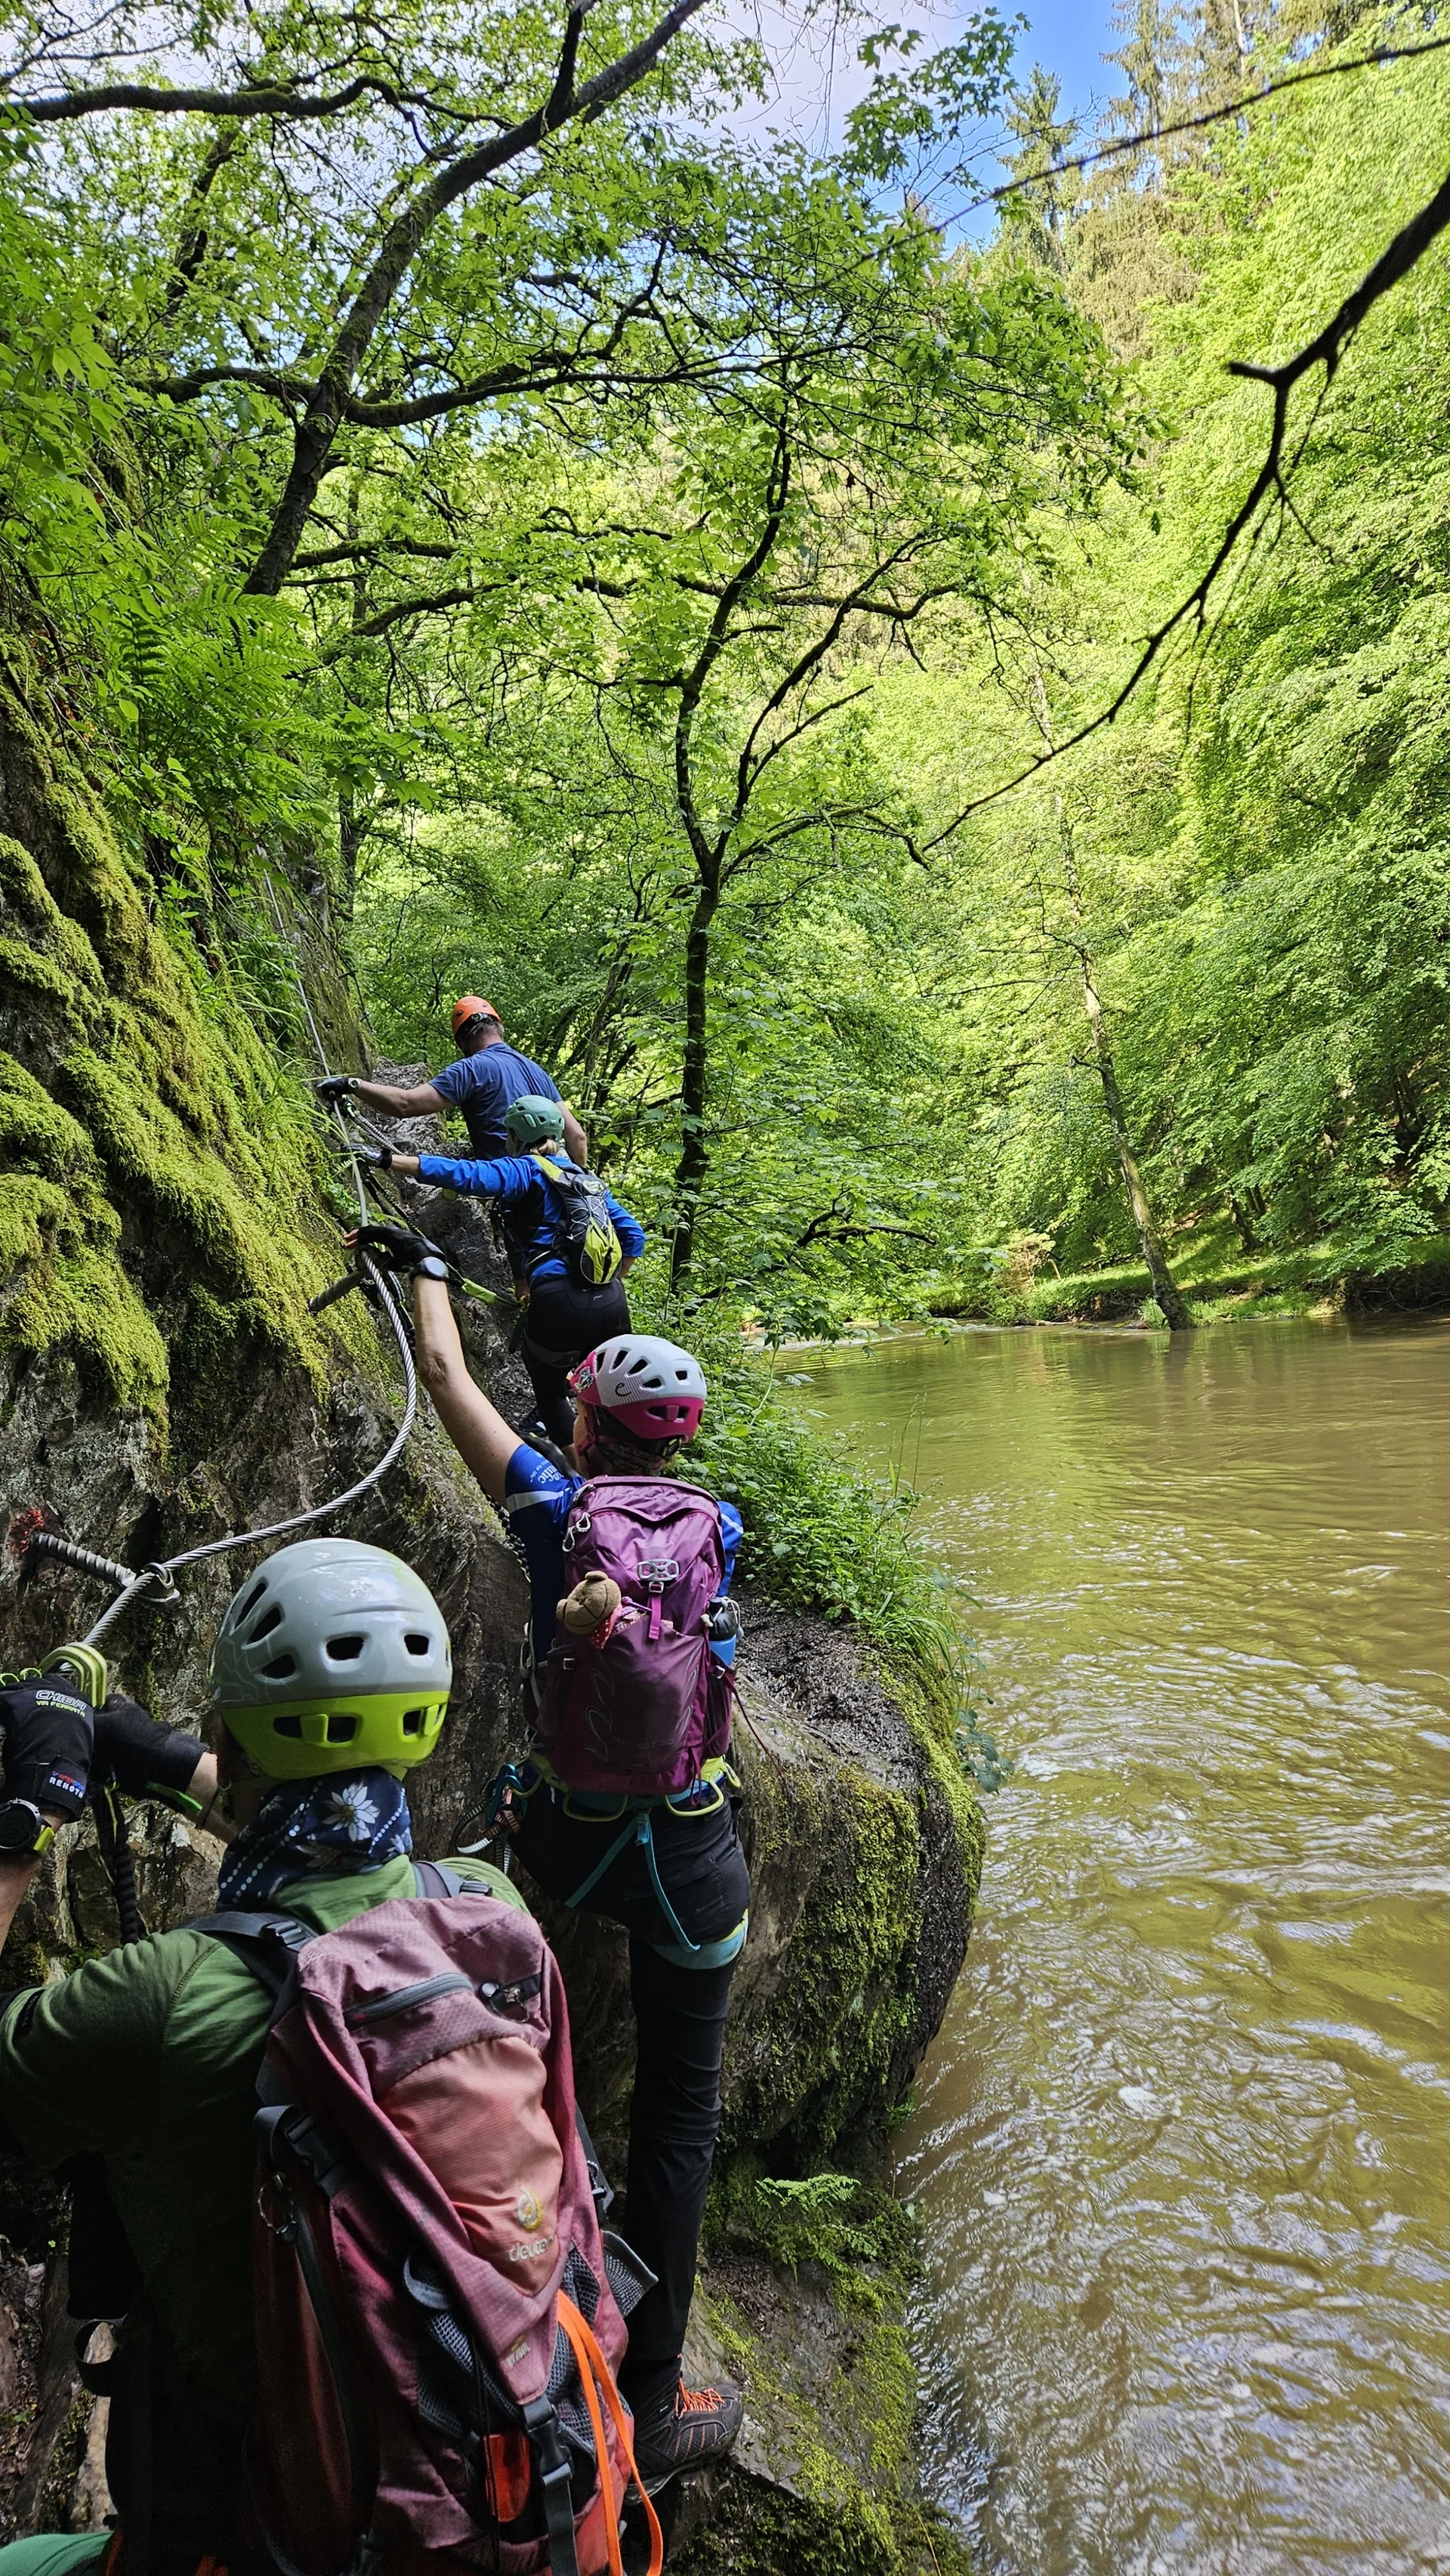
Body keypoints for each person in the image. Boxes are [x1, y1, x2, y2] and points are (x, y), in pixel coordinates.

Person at [0, 1540, 525, 2576]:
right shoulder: (482, 1910)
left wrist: (27, 1813)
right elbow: (337, 1840)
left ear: (232, 1735)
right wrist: (150, 1756)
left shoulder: (160, 1999)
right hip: (456, 2490)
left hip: (251, 2529)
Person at [351, 1222, 748, 2494]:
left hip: (561, 1844)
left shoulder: (551, 1505)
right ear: (680, 1438)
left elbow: (450, 1379)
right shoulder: (719, 1525)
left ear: (586, 1427)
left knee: (516, 2061)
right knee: (681, 2121)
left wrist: (424, 1267)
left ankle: (527, 2317)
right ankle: (660, 2389)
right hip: (693, 1859)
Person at [364, 1094, 646, 1455]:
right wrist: (609, 1278)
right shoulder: (588, 1181)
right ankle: (624, 1468)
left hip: (557, 1301)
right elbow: (633, 1235)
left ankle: (581, 1481)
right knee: (606, 1391)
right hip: (612, 1302)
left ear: (516, 1137)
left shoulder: (527, 1169)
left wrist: (390, 1159)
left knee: (550, 1392)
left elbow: (467, 1175)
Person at [316, 995, 589, 1165]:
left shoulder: (471, 1069)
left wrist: (352, 1085)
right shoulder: (537, 1071)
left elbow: (405, 1105)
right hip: (559, 1185)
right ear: (499, 1028)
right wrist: (577, 1177)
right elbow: (577, 1136)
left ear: (461, 1042)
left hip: (511, 1185)